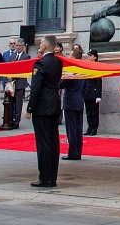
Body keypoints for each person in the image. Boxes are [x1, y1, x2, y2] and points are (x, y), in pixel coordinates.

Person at [27, 35, 64, 189]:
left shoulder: (40, 63)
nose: (39, 45)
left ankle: (45, 177)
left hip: (42, 107)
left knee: (43, 143)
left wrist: (30, 108)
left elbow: (36, 88)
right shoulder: (58, 62)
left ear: (47, 46)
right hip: (54, 104)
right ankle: (52, 177)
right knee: (53, 142)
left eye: (41, 43)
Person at [61, 49, 86, 162]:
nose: (69, 57)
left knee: (71, 129)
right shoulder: (83, 69)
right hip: (79, 101)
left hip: (70, 102)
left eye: (70, 55)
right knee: (78, 128)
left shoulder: (72, 70)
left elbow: (62, 84)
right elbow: (86, 87)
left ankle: (72, 152)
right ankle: (78, 151)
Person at [84, 49, 104, 134]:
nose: (89, 57)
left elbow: (98, 82)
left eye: (91, 55)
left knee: (94, 112)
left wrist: (98, 95)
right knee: (88, 111)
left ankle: (94, 128)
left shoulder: (96, 66)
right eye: (88, 55)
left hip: (94, 92)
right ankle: (90, 127)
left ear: (95, 57)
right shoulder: (86, 66)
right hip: (87, 92)